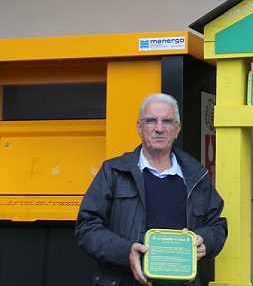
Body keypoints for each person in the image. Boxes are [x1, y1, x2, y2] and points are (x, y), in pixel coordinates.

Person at [75, 93, 227, 286]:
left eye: (167, 121)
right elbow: (86, 227)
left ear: (177, 129)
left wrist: (205, 241)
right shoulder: (113, 172)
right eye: (151, 121)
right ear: (139, 127)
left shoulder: (197, 176)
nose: (159, 128)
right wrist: (126, 251)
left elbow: (217, 226)